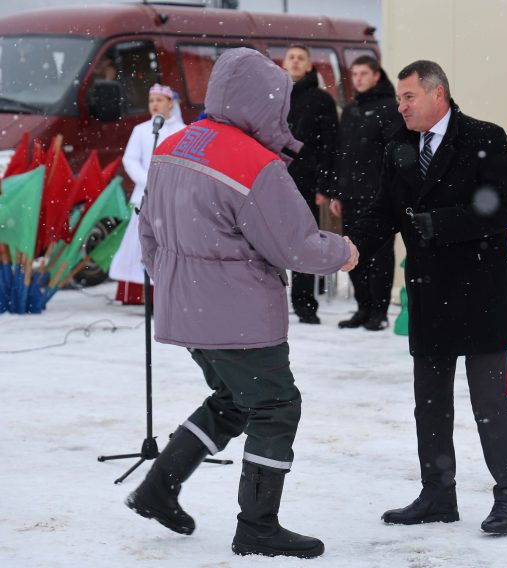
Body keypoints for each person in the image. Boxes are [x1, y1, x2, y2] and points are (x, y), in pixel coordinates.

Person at [127, 48, 358, 559]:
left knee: (232, 401)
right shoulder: (256, 164)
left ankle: (158, 487)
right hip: (240, 318)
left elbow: (149, 233)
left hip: (184, 309)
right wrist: (342, 251)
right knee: (276, 408)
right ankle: (257, 525)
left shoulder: (174, 147)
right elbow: (294, 245)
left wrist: (171, 282)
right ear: (267, 103)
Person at [346, 60, 507, 534]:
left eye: (408, 97)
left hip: (482, 289)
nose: (400, 106)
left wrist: (443, 224)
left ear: (437, 94)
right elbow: (383, 212)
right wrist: (351, 248)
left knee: (489, 401)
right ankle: (438, 494)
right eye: (399, 98)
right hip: (429, 292)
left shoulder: (484, 136)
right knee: (430, 401)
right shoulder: (400, 146)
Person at [331, 55, 400, 331]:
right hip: (350, 194)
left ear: (376, 76)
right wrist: (337, 191)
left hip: (378, 194)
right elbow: (342, 153)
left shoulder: (389, 108)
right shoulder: (350, 110)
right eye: (355, 74)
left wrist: (391, 191)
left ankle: (379, 311)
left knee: (380, 254)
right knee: (352, 250)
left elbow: (394, 153)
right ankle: (363, 306)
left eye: (363, 73)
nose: (358, 78)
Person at [109, 83, 184, 304]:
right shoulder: (141, 130)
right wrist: (147, 180)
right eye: (151, 100)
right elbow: (130, 159)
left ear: (170, 103)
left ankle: (167, 291)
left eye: (159, 100)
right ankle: (137, 292)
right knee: (141, 242)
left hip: (171, 197)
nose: (154, 105)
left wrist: (167, 183)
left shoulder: (182, 131)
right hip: (145, 195)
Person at [281, 44, 339, 324]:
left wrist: (324, 185)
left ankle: (305, 303)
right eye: (290, 57)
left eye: (300, 58)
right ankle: (266, 300)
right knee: (265, 240)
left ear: (308, 66)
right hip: (271, 179)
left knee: (304, 242)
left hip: (305, 181)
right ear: (283, 63)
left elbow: (330, 146)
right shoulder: (272, 95)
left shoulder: (321, 100)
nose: (294, 62)